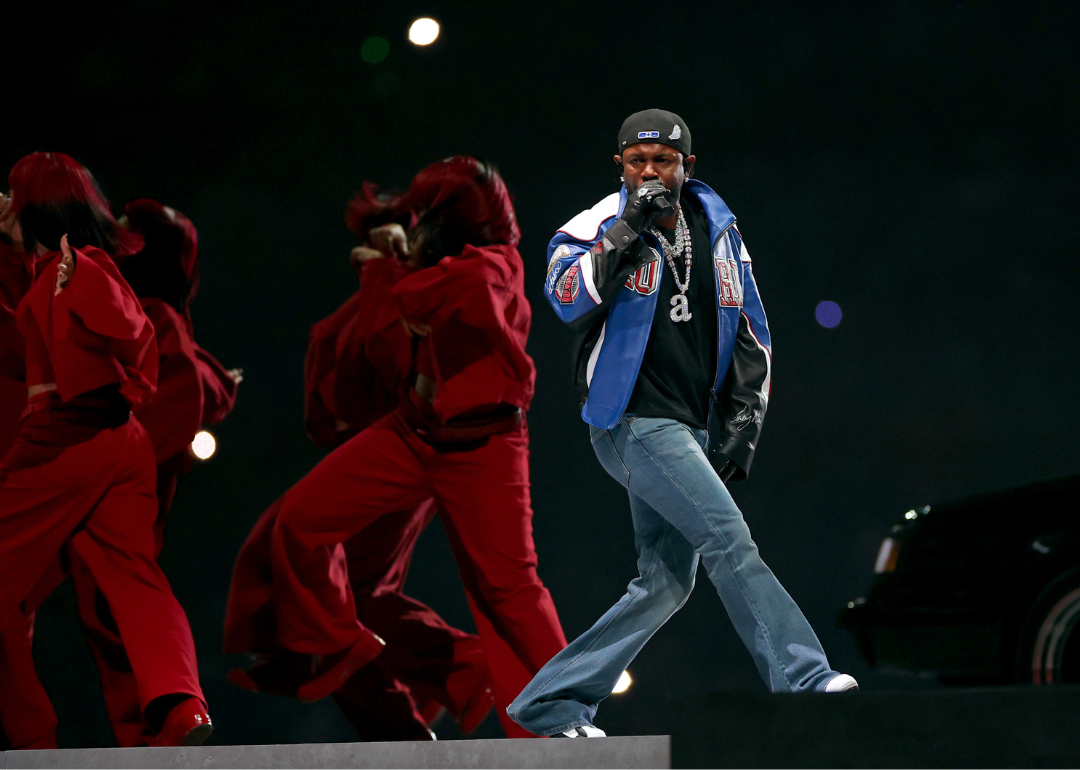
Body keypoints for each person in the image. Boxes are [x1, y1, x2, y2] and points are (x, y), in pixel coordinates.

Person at [507, 110, 858, 738]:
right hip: (633, 421)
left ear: (686, 167)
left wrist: (742, 424)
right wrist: (627, 229)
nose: (649, 171)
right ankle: (802, 678)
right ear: (620, 166)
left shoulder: (720, 230)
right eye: (636, 160)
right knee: (729, 539)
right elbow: (567, 300)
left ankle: (551, 704)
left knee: (666, 581)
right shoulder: (593, 226)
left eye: (662, 160)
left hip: (691, 424)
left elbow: (752, 328)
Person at [248, 156, 567, 738]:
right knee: (299, 520)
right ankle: (340, 647)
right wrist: (397, 269)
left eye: (426, 214)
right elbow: (387, 340)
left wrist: (392, 271)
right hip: (412, 434)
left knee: (508, 589)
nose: (416, 222)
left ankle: (558, 728)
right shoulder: (439, 263)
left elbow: (430, 299)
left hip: (483, 449)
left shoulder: (493, 267)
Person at [224, 183, 494, 741]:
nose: (371, 244)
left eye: (391, 230)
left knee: (330, 604)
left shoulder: (413, 290)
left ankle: (446, 670)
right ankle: (442, 682)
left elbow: (393, 353)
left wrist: (384, 272)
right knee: (338, 603)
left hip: (396, 455)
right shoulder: (382, 290)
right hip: (366, 456)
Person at [0, 152, 212, 748]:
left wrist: (82, 283)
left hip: (70, 441)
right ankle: (179, 705)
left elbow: (130, 329)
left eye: (13, 195)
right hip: (119, 446)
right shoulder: (54, 269)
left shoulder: (79, 266)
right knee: (133, 579)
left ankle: (28, 740)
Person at [61, 198, 240, 746]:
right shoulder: (151, 314)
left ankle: (160, 722)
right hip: (116, 479)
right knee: (108, 610)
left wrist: (103, 459)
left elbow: (175, 397)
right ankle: (151, 731)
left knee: (122, 598)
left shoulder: (153, 316)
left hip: (110, 482)